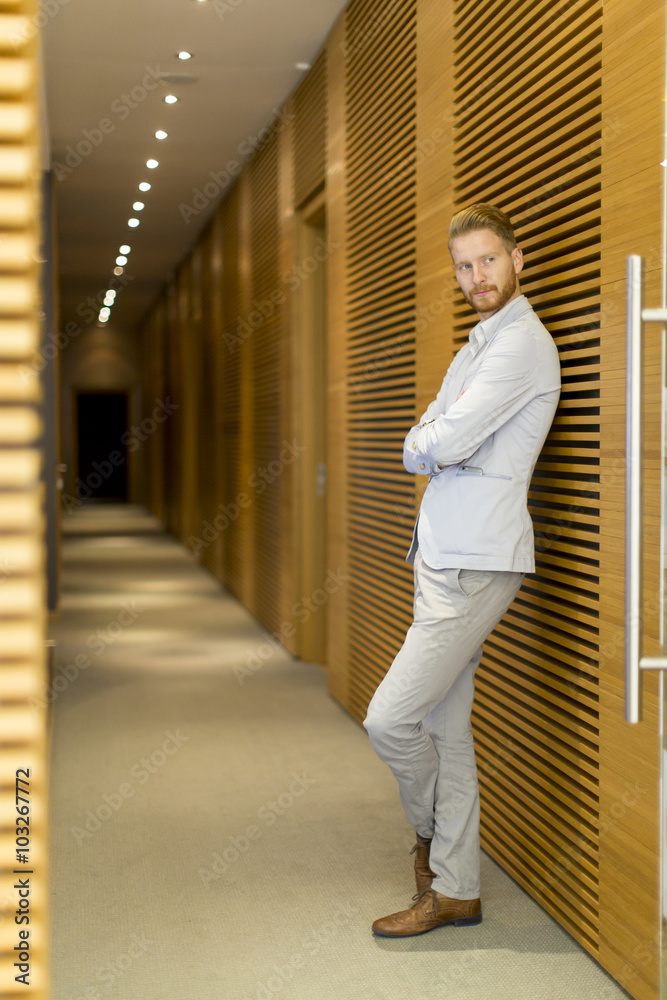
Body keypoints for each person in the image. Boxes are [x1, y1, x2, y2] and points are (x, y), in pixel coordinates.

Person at [363, 203, 561, 937]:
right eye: (464, 266)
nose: (476, 276)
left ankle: (430, 840)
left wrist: (441, 441)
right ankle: (457, 888)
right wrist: (439, 440)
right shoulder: (477, 342)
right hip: (442, 555)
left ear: (517, 260)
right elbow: (425, 437)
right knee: (445, 731)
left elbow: (438, 443)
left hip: (477, 562)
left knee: (389, 719)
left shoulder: (518, 347)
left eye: (487, 260)